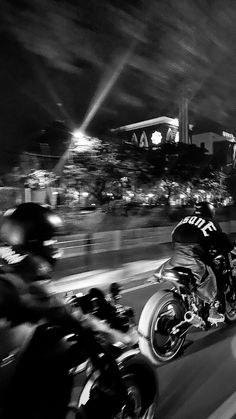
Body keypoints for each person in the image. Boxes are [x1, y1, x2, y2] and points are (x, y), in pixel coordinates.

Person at [0, 203, 124, 419]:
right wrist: (107, 332)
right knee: (59, 348)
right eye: (51, 240)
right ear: (36, 240)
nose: (55, 246)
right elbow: (63, 314)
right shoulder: (27, 271)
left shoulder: (6, 256)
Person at [161, 201, 234, 324]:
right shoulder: (210, 222)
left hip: (175, 258)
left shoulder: (184, 220)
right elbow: (223, 241)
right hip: (193, 260)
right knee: (213, 276)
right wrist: (229, 247)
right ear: (210, 212)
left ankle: (185, 303)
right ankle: (213, 310)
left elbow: (174, 237)